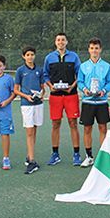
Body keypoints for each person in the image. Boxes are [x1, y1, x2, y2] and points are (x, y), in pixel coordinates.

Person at [43, 33, 82, 166]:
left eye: (63, 40)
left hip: (71, 95)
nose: (61, 42)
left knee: (73, 123)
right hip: (55, 96)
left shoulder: (74, 56)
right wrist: (50, 86)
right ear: (55, 42)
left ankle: (76, 154)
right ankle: (55, 154)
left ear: (66, 42)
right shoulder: (49, 57)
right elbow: (45, 75)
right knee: (55, 124)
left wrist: (72, 86)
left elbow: (80, 74)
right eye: (58, 40)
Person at [77, 37, 110, 167]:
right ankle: (89, 156)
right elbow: (80, 81)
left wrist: (104, 90)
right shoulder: (83, 66)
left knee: (103, 128)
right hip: (88, 101)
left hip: (101, 102)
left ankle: (102, 157)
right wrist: (85, 89)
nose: (94, 50)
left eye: (96, 48)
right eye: (92, 48)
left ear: (100, 50)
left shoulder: (106, 66)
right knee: (87, 128)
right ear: (89, 50)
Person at [14, 46, 45, 174]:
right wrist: (27, 96)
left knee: (35, 129)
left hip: (38, 104)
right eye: (27, 55)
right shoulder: (20, 71)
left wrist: (41, 95)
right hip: (26, 105)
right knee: (29, 132)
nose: (30, 57)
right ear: (24, 56)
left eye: (32, 54)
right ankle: (32, 161)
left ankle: (29, 155)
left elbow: (43, 87)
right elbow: (16, 89)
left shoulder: (39, 70)